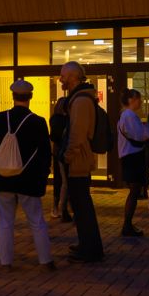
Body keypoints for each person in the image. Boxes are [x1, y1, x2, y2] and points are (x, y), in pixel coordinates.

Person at [0, 80, 55, 271]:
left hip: (2, 178)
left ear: (13, 96)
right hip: (28, 179)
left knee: (5, 222)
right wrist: (42, 177)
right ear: (30, 97)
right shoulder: (38, 122)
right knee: (36, 221)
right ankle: (45, 260)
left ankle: (5, 262)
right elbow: (44, 154)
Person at [60, 61, 105, 263]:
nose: (61, 79)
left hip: (79, 160)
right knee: (80, 205)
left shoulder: (80, 101)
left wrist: (68, 156)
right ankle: (87, 244)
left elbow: (77, 134)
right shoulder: (80, 99)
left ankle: (90, 248)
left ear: (73, 77)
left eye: (63, 75)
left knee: (82, 205)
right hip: (80, 158)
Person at [117, 88, 149, 237]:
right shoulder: (129, 115)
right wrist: (146, 130)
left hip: (129, 156)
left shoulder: (125, 115)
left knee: (134, 191)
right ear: (131, 100)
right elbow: (141, 136)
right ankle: (127, 225)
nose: (141, 102)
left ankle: (128, 224)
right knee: (134, 191)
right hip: (132, 156)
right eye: (138, 99)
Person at [49, 96, 73, 222]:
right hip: (61, 152)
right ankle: (60, 207)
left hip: (58, 152)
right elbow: (55, 136)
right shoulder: (63, 119)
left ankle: (59, 206)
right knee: (62, 181)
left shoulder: (54, 118)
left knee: (60, 180)